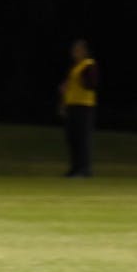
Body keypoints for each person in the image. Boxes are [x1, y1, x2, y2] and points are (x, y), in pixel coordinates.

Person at [59, 39, 98, 178]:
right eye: (74, 49)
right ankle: (75, 168)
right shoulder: (75, 66)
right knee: (72, 138)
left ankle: (84, 169)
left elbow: (91, 83)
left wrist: (83, 80)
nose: (74, 52)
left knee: (83, 138)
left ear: (85, 51)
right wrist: (63, 104)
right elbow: (68, 88)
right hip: (72, 105)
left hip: (84, 105)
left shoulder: (89, 64)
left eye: (78, 49)